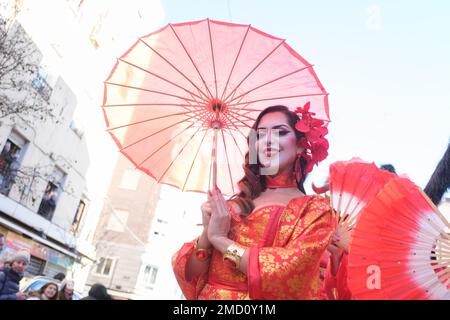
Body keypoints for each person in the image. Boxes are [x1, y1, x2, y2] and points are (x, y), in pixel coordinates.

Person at [172, 104, 335, 299]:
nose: (268, 141)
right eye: (260, 135)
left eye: (280, 132)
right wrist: (207, 233)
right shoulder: (233, 205)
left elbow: (286, 273)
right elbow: (192, 276)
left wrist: (220, 240)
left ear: (300, 145)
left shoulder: (314, 210)